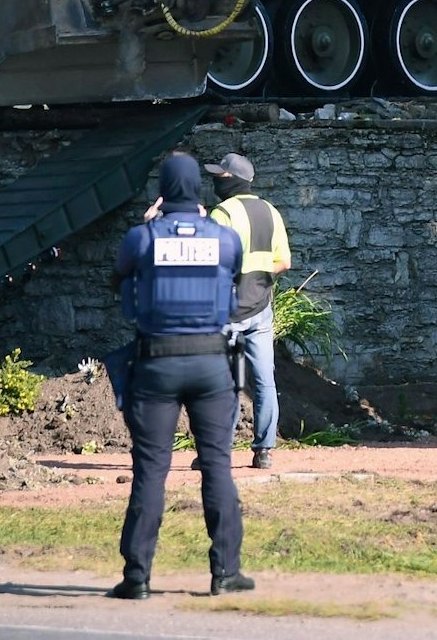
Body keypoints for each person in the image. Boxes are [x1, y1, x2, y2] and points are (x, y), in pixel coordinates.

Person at [111, 152, 254, 599]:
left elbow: (120, 277)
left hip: (157, 363)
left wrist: (151, 222)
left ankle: (137, 578)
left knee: (151, 470)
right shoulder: (226, 238)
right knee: (216, 466)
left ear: (163, 188)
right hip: (212, 365)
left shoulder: (143, 236)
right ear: (197, 189)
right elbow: (233, 286)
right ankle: (226, 573)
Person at [205, 153, 291, 470]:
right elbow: (285, 262)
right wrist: (258, 279)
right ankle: (264, 451)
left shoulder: (222, 212)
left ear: (232, 180)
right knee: (264, 381)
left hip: (227, 307)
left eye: (220, 176)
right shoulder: (270, 211)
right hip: (262, 304)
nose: (215, 180)